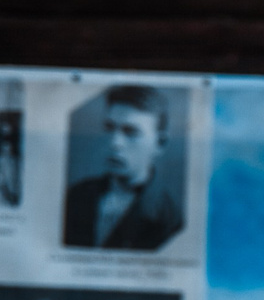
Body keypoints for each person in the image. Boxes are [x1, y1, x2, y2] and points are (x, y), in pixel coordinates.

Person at [62, 85, 183, 251]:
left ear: (159, 143)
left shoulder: (170, 219)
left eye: (131, 132)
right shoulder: (76, 195)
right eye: (110, 128)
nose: (114, 143)